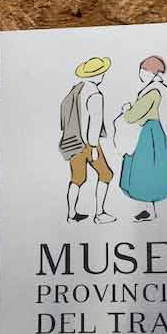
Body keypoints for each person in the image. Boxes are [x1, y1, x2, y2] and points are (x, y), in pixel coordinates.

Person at [119, 56, 167, 222]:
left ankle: (149, 210)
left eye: (143, 70)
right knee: (154, 168)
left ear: (152, 73)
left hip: (148, 135)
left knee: (145, 168)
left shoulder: (152, 92)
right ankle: (149, 209)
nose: (140, 73)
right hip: (158, 134)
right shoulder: (159, 89)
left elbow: (132, 117)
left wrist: (126, 110)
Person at [59, 57, 116, 224]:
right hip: (89, 144)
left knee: (77, 178)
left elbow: (63, 111)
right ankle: (100, 214)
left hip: (73, 141)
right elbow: (95, 123)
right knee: (106, 174)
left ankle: (71, 215)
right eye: (102, 73)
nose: (103, 75)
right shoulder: (96, 95)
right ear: (96, 75)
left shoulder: (76, 89)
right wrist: (93, 147)